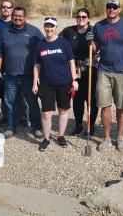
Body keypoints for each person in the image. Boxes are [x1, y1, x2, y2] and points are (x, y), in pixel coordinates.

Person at [93, 0, 123, 152]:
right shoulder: (99, 26)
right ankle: (106, 138)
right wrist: (90, 43)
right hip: (103, 71)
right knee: (105, 105)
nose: (111, 9)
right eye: (109, 7)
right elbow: (95, 48)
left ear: (119, 9)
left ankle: (120, 137)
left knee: (121, 106)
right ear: (106, 9)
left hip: (121, 72)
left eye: (114, 7)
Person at [0, 7, 43, 139]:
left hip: (28, 76)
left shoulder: (34, 32)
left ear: (25, 17)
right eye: (15, 15)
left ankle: (37, 127)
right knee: (10, 103)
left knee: (32, 103)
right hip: (10, 76)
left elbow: (44, 46)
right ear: (12, 16)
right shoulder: (5, 32)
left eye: (20, 16)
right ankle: (11, 127)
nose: (17, 18)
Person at [33, 17, 79, 151]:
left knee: (63, 110)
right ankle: (46, 139)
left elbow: (71, 62)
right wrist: (35, 83)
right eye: (47, 26)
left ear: (56, 27)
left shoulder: (64, 43)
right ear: (44, 27)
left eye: (51, 26)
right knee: (47, 113)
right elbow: (36, 65)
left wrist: (74, 80)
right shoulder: (40, 45)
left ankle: (60, 136)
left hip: (64, 82)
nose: (49, 29)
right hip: (46, 83)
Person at [59, 8, 99, 136]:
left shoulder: (93, 31)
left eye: (84, 17)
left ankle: (91, 125)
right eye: (79, 16)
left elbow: (94, 50)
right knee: (77, 99)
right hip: (74, 69)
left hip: (90, 68)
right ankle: (78, 125)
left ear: (88, 18)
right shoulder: (68, 31)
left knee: (92, 99)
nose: (81, 19)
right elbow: (58, 43)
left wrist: (90, 41)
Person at [0, 0, 30, 128]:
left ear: (12, 9)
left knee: (21, 94)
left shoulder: (16, 23)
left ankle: (23, 117)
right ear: (0, 9)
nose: (6, 9)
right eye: (3, 7)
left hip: (19, 66)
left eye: (8, 7)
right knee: (6, 95)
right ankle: (8, 117)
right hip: (3, 64)